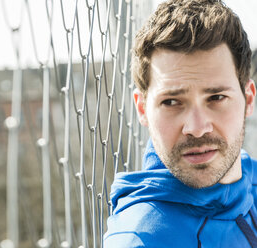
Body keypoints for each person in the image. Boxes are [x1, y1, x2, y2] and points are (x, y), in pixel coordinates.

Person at [104, 0, 257, 247]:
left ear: (248, 99)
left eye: (216, 97)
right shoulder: (143, 240)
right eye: (172, 102)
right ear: (142, 109)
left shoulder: (250, 177)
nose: (197, 128)